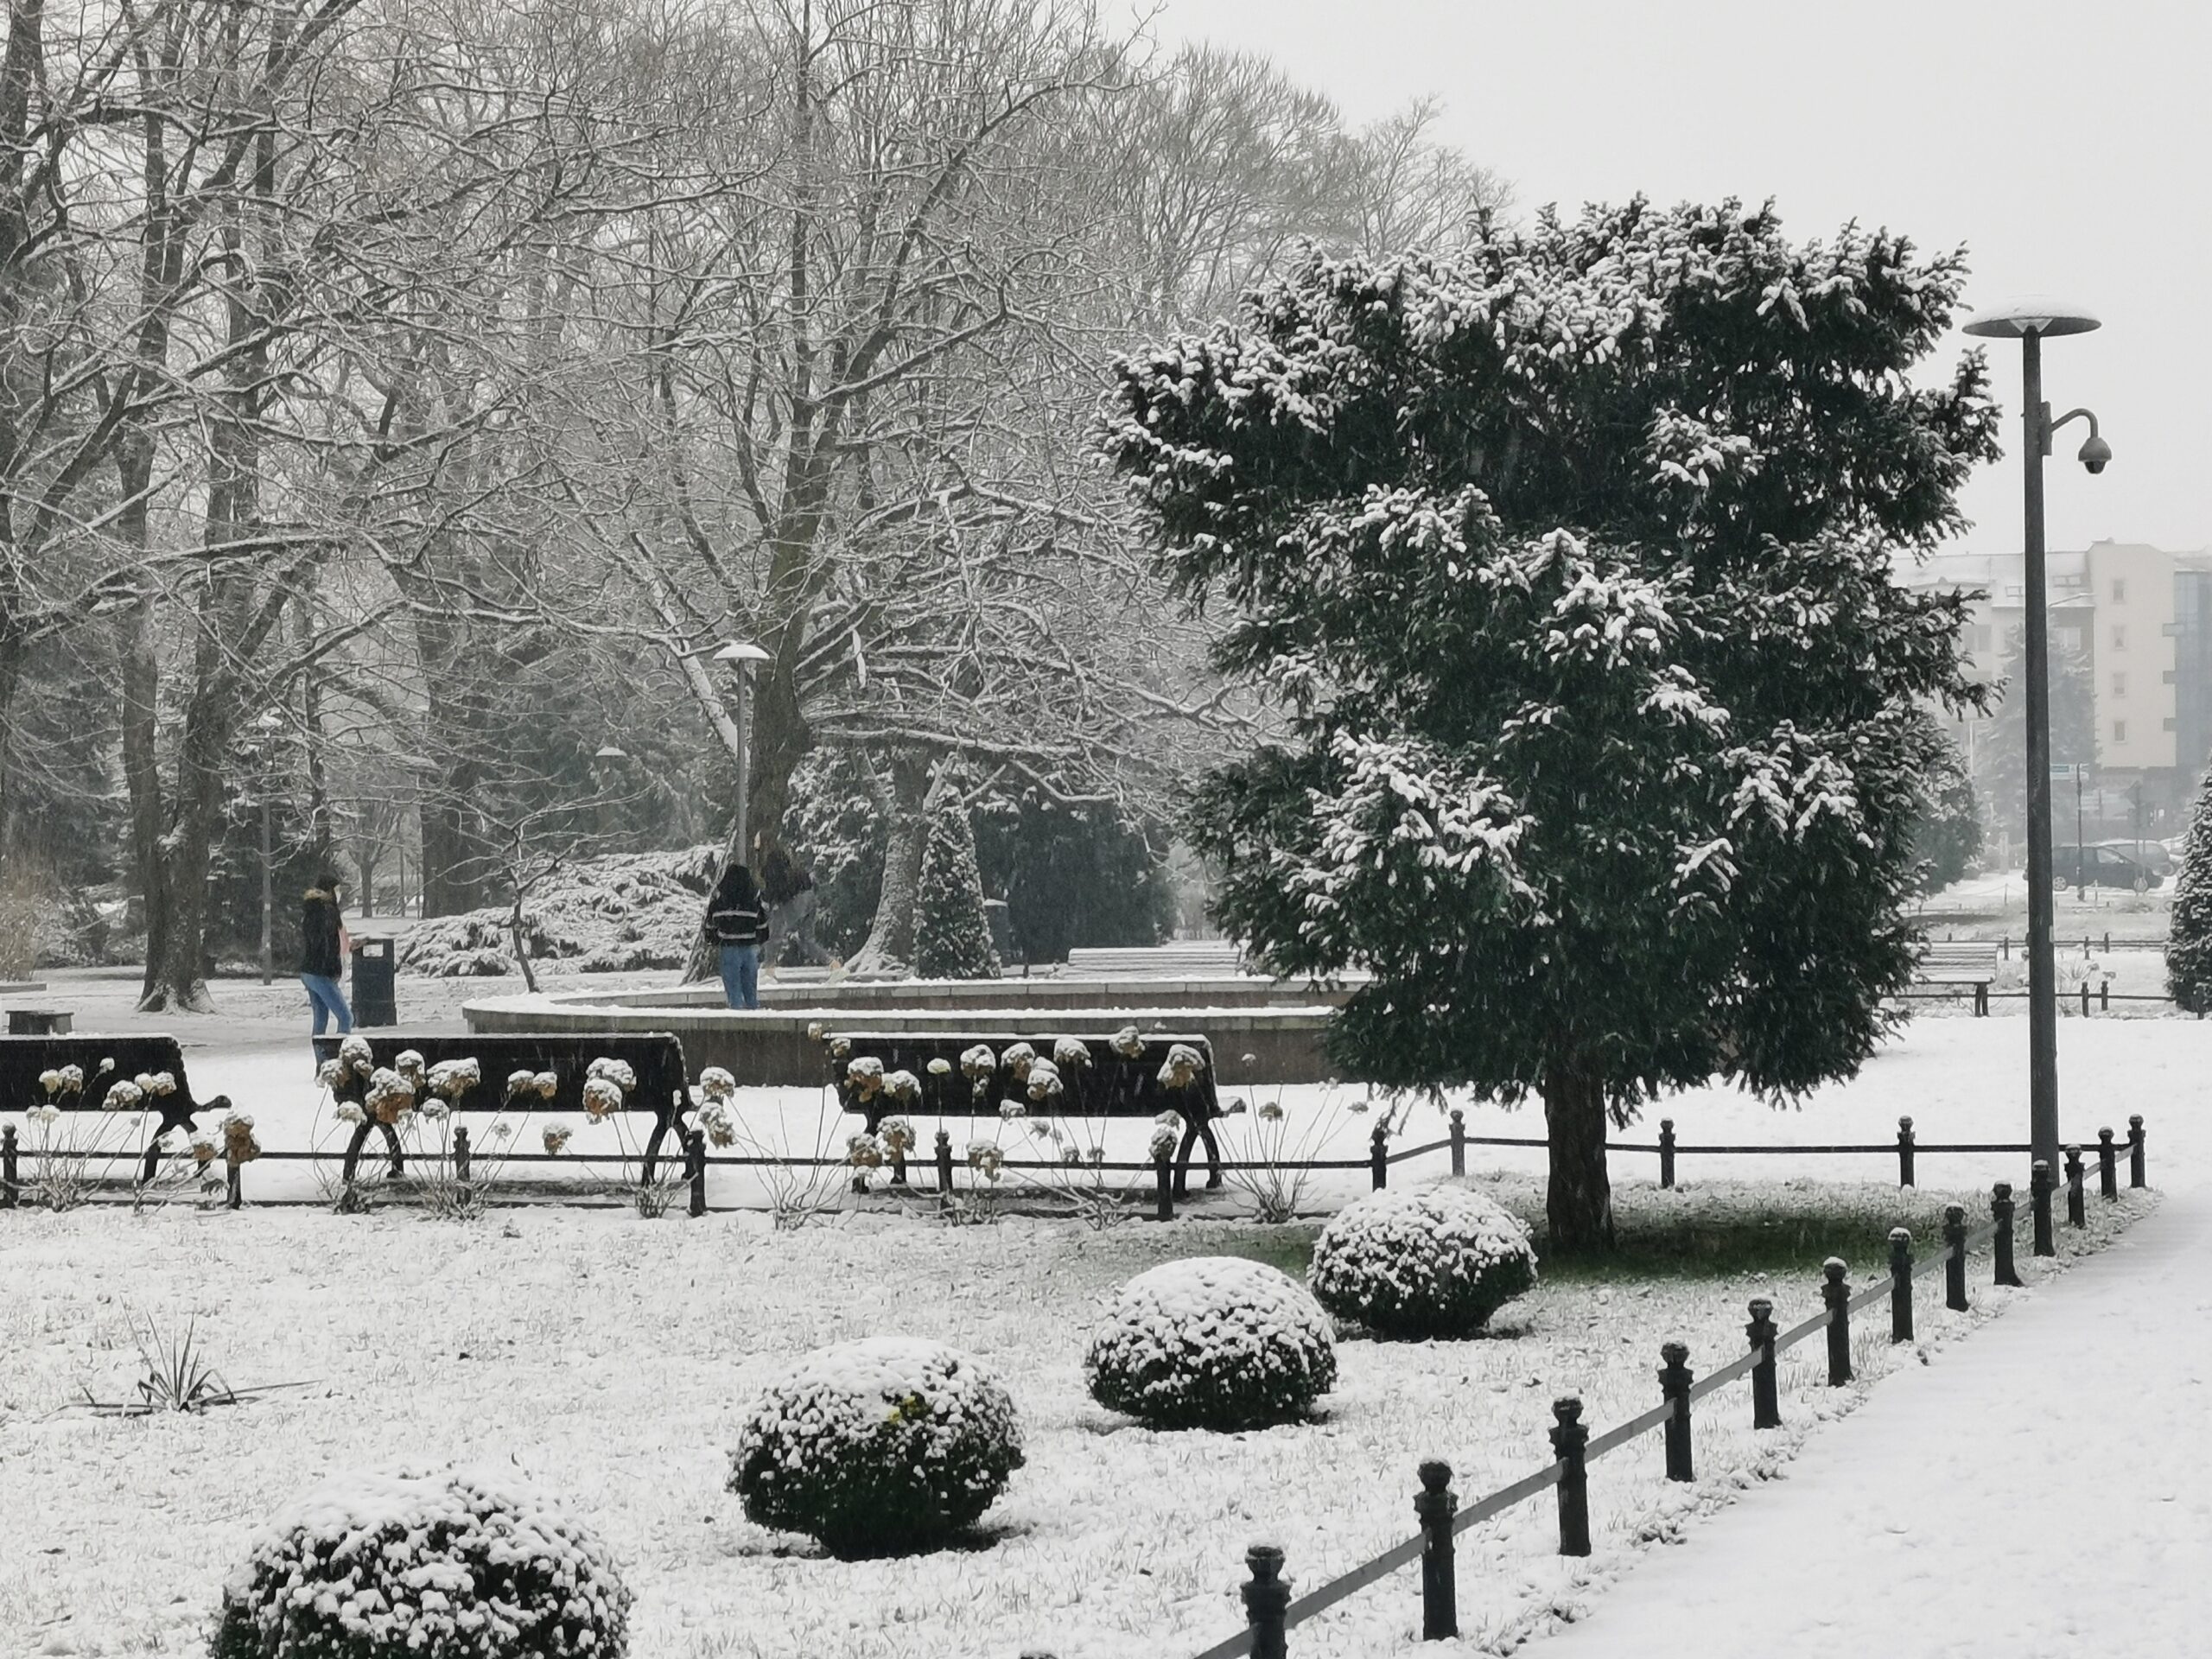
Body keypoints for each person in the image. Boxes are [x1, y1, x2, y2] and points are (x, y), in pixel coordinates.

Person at [758, 836, 842, 978]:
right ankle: (833, 964)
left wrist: (766, 903)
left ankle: (769, 969)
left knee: (773, 934)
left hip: (794, 901)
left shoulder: (770, 868)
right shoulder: (791, 865)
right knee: (807, 939)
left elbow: (772, 894)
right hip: (809, 898)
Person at [706, 860, 768, 1009]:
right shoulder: (753, 903)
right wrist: (757, 939)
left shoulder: (719, 903)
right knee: (750, 989)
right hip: (749, 949)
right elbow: (763, 928)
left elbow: (709, 927)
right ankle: (754, 1016)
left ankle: (737, 1016)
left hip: (728, 948)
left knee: (734, 990)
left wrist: (716, 940)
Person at [300, 873, 353, 1039]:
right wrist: (332, 969)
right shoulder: (327, 911)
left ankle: (321, 1061)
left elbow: (318, 940)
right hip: (321, 972)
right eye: (337, 890)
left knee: (321, 1018)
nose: (339, 894)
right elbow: (327, 943)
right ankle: (342, 1056)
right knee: (346, 1017)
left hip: (309, 970)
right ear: (330, 891)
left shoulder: (312, 909)